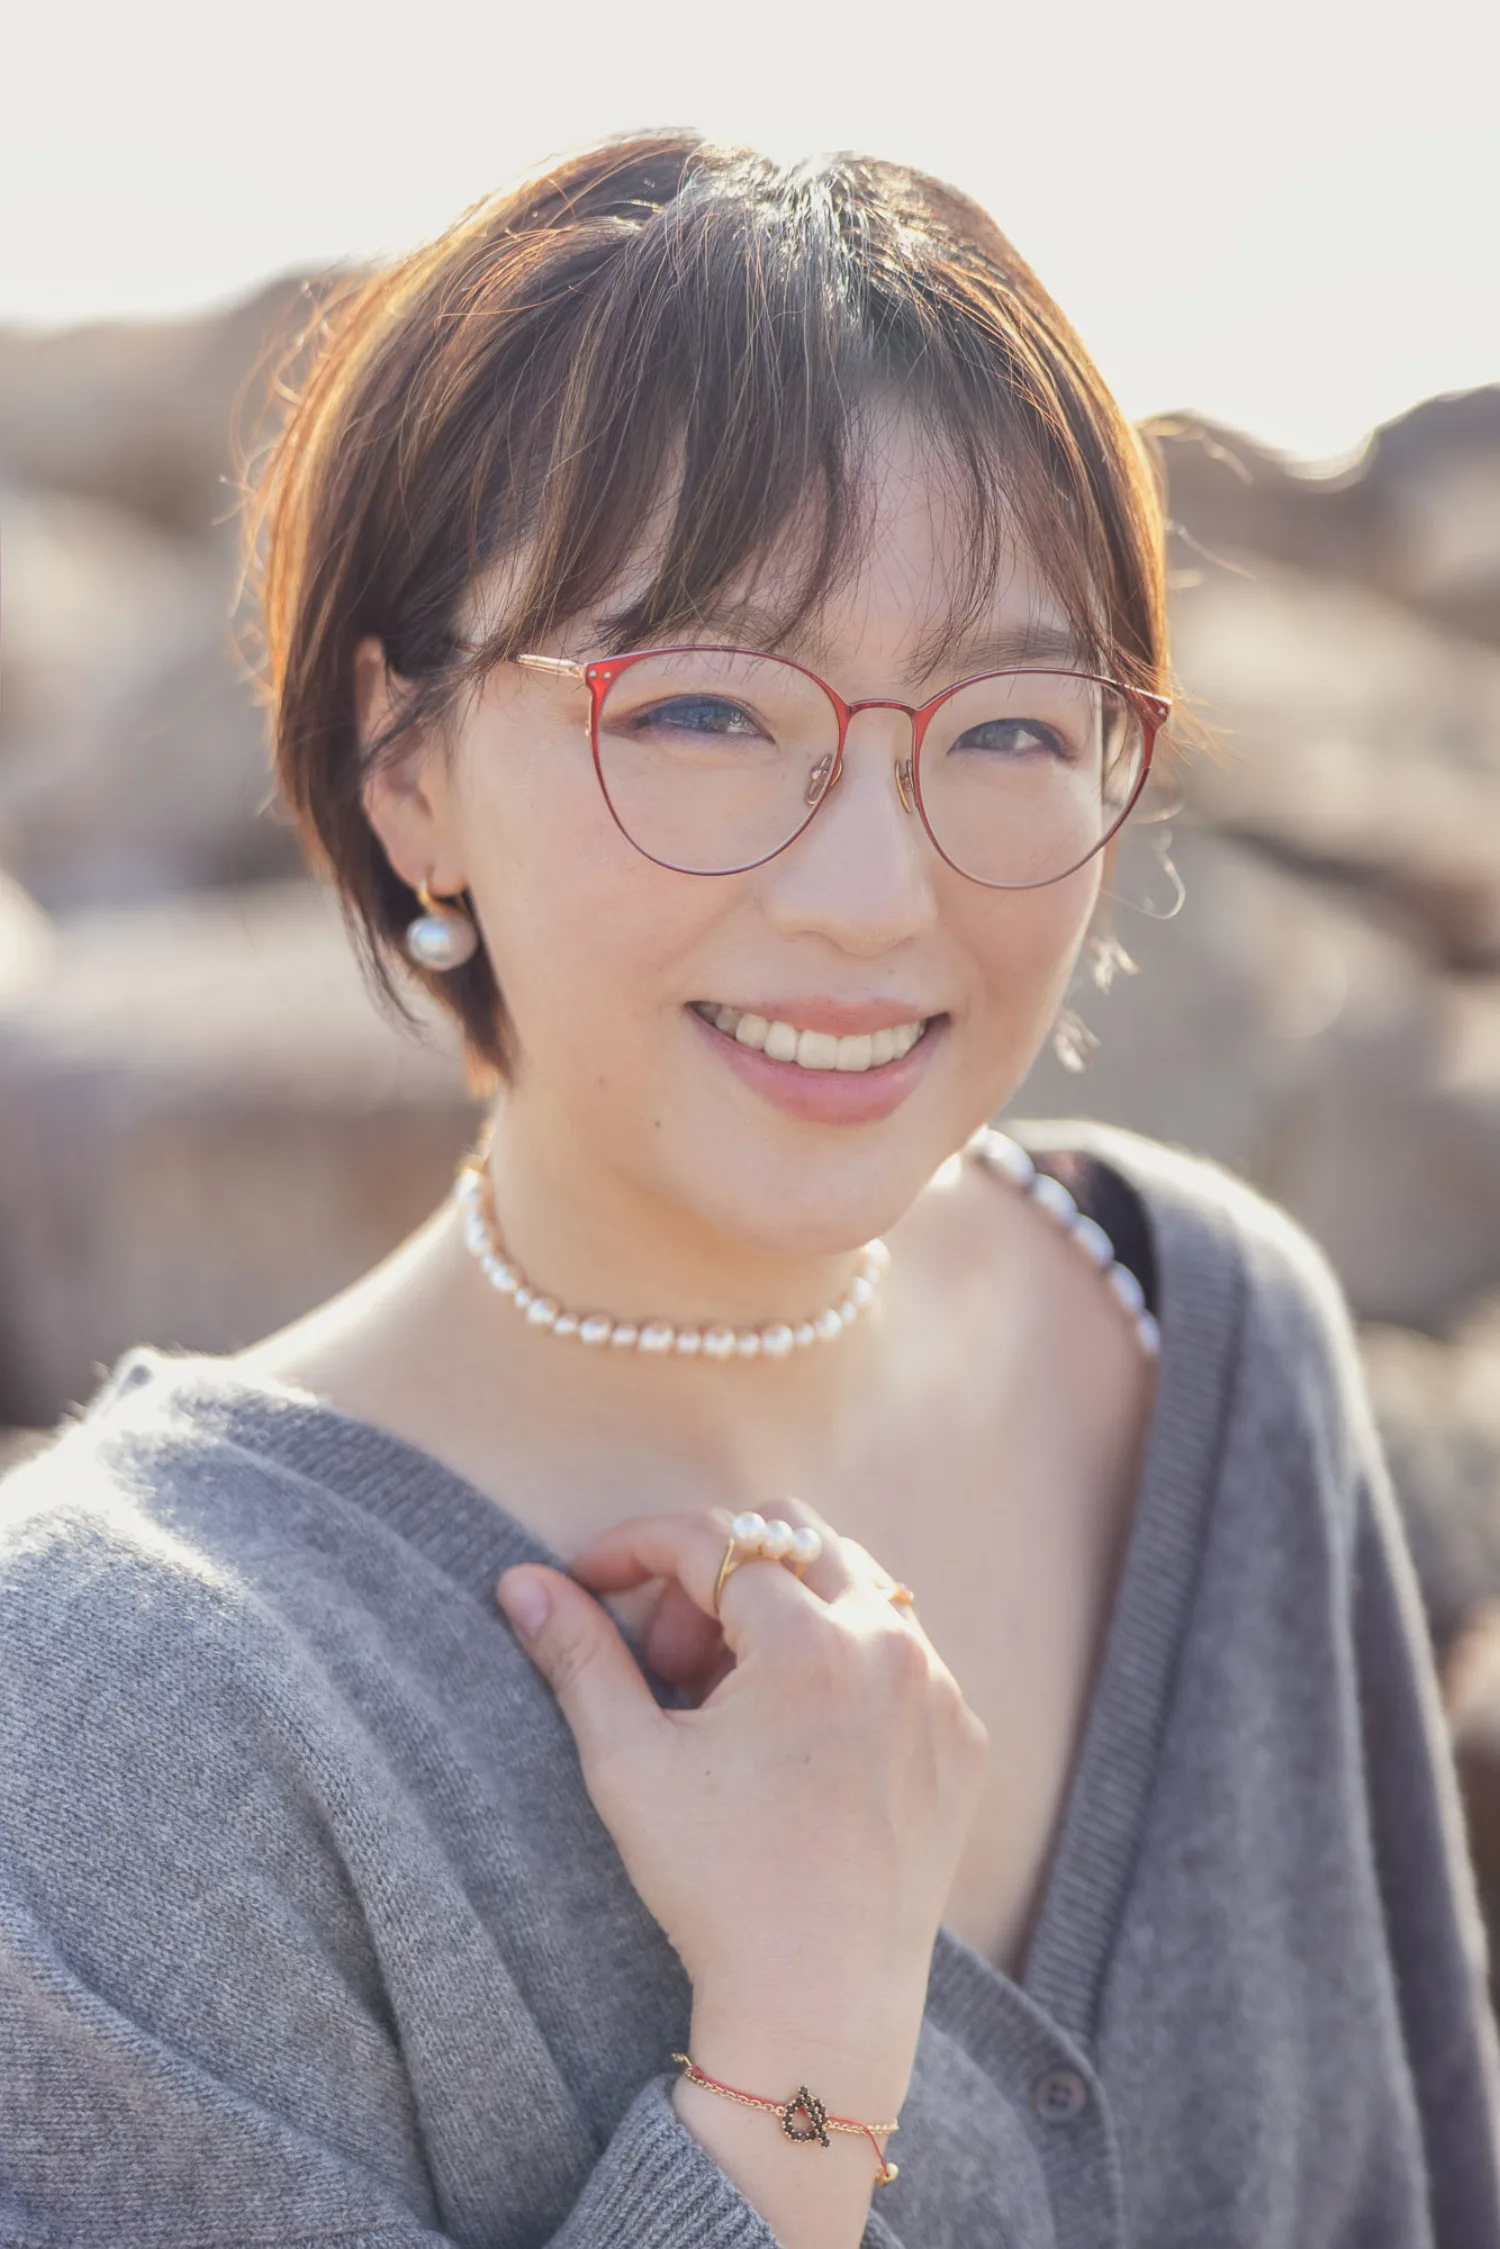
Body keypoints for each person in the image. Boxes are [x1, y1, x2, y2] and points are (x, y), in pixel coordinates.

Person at [2, 132, 1496, 2249]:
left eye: (1005, 722)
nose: (877, 898)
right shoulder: (125, 1696)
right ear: (403, 763)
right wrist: (786, 2069)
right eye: (699, 704)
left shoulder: (1213, 1340)